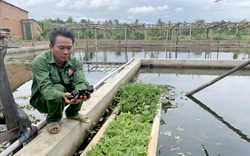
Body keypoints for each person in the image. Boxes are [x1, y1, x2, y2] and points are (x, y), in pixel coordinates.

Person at [30, 26, 91, 134]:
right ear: (51, 47)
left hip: (66, 97)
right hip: (43, 100)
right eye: (61, 48)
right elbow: (46, 89)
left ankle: (72, 112)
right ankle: (53, 119)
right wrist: (61, 95)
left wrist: (81, 92)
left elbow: (80, 81)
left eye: (69, 48)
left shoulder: (75, 62)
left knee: (82, 88)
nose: (66, 52)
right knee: (58, 88)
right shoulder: (40, 62)